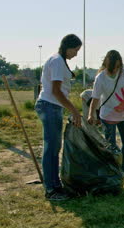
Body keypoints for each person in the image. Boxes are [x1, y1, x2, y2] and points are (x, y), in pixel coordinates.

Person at [35, 34, 82, 201]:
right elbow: (56, 91)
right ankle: (51, 189)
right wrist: (74, 111)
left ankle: (56, 185)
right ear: (68, 47)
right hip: (49, 106)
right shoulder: (56, 61)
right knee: (51, 148)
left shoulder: (60, 61)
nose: (76, 53)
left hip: (53, 106)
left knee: (55, 148)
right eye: (76, 50)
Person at [87, 50, 124, 180]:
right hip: (107, 115)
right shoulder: (101, 78)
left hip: (123, 115)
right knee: (111, 146)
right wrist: (91, 114)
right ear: (107, 65)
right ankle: (115, 171)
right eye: (113, 67)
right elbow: (95, 98)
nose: (116, 69)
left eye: (118, 66)